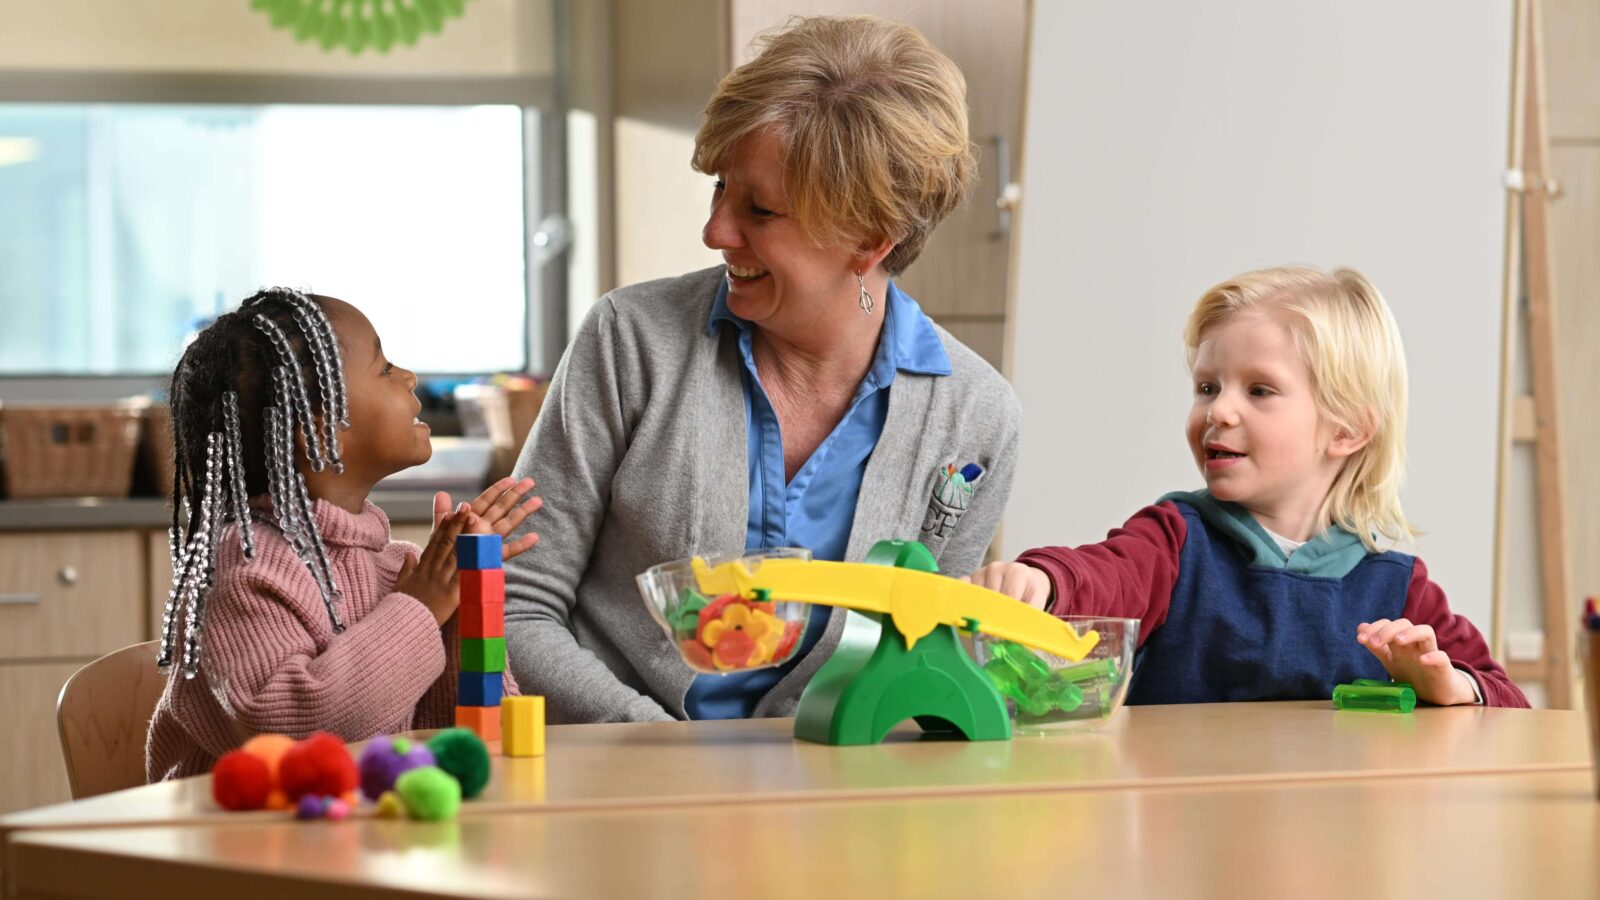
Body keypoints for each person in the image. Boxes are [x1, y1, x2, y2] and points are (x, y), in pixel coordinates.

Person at [504, 15, 1019, 722]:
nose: (715, 231)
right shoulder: (631, 341)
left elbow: (925, 655)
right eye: (720, 188)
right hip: (618, 778)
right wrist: (650, 745)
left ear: (868, 239)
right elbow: (513, 605)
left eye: (761, 210)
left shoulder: (975, 416)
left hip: (829, 797)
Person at [965, 266, 1527, 707]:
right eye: (1207, 387)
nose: (1219, 411)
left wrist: (1449, 684)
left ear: (1347, 430)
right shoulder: (1174, 541)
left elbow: (1507, 700)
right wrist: (1042, 579)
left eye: (1259, 390)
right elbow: (1105, 575)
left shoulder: (1398, 587)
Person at [147, 287, 542, 780]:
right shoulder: (240, 570)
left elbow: (452, 737)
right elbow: (297, 734)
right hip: (238, 841)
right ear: (321, 431)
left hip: (352, 841)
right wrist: (423, 607)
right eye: (383, 368)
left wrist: (461, 599)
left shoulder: (393, 568)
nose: (409, 377)